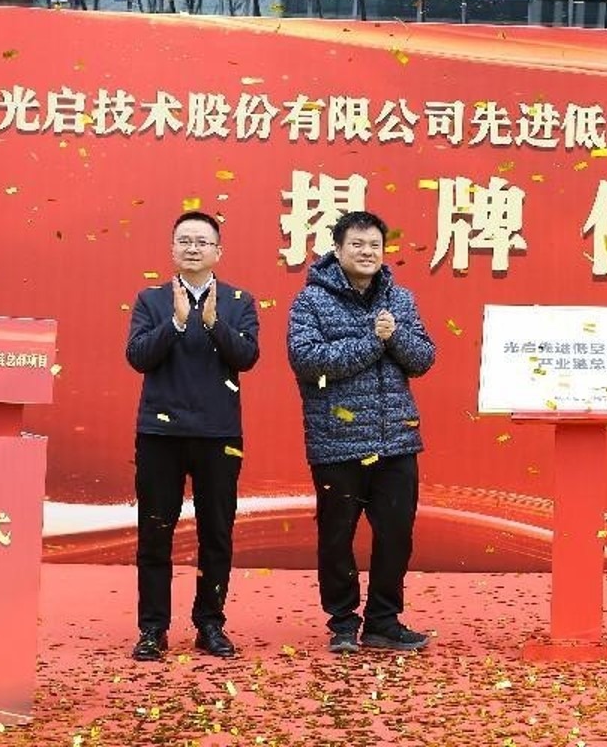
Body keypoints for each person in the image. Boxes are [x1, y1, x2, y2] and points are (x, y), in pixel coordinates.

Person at [286, 211, 436, 654]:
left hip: (396, 440)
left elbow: (424, 358)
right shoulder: (311, 300)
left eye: (374, 245)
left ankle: (383, 622)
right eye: (357, 244)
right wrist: (374, 341)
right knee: (337, 537)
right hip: (337, 441)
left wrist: (394, 337)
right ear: (337, 249)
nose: (367, 252)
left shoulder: (401, 299)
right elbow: (307, 360)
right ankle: (343, 622)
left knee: (396, 535)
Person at [124, 211, 260, 661]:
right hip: (159, 434)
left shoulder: (239, 301)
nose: (193, 248)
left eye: (202, 241)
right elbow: (138, 357)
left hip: (218, 434)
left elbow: (247, 358)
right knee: (155, 533)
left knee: (216, 533)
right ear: (172, 249)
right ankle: (153, 629)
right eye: (185, 240)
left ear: (218, 251)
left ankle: (210, 624)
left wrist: (214, 322)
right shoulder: (151, 300)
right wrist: (177, 323)